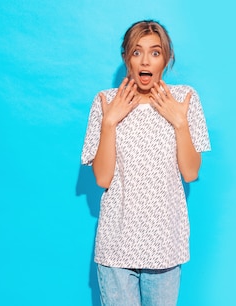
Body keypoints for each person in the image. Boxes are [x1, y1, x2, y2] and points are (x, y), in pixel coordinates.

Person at [81, 19, 211, 306]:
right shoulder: (105, 101)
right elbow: (102, 179)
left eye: (155, 52)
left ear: (166, 58)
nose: (145, 60)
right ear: (126, 57)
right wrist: (110, 122)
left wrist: (179, 122)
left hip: (165, 246)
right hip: (116, 248)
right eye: (136, 51)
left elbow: (190, 173)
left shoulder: (185, 99)